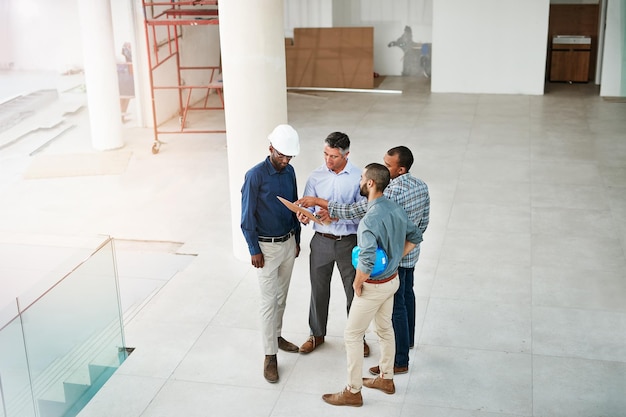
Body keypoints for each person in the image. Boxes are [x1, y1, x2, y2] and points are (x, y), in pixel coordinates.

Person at [297, 146, 430, 376]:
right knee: (407, 296)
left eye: (388, 166)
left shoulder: (389, 195)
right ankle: (406, 342)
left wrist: (361, 280)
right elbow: (422, 225)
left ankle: (398, 361)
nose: (385, 170)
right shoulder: (421, 186)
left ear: (401, 169)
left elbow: (358, 210)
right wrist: (404, 251)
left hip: (390, 262)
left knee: (393, 311)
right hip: (409, 256)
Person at [321, 163, 422, 407]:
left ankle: (353, 391)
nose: (359, 182)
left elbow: (365, 259)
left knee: (352, 335)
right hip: (393, 280)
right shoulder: (394, 208)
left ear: (370, 183)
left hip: (374, 286)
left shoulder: (369, 220)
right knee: (385, 329)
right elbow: (415, 237)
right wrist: (396, 259)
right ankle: (386, 378)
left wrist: (357, 283)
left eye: (362, 178)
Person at [295, 132, 370, 357]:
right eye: (326, 154)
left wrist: (338, 216)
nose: (329, 160)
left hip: (349, 243)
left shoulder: (359, 177)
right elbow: (307, 204)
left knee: (354, 292)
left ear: (347, 154)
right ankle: (316, 334)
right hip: (321, 242)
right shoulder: (316, 176)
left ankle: (358, 338)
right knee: (318, 289)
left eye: (335, 156)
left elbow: (366, 212)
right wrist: (304, 214)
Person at [240, 124, 302, 383]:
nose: (285, 161)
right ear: (270, 149)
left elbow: (294, 205)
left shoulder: (290, 172)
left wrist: (297, 238)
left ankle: (276, 336)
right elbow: (246, 216)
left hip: (288, 243)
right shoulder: (255, 176)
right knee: (268, 302)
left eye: (289, 157)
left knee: (282, 297)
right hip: (265, 248)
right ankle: (270, 355)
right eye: (281, 156)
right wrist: (254, 249)